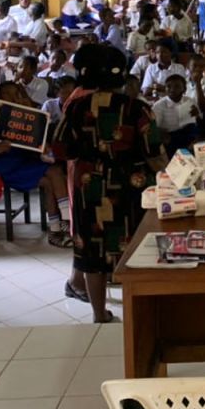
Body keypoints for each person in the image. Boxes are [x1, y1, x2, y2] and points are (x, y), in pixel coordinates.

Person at [55, 44, 157, 323]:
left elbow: (61, 148)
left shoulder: (76, 107)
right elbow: (155, 153)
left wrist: (90, 154)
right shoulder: (136, 108)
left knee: (93, 251)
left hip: (89, 186)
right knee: (133, 249)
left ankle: (99, 315)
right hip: (129, 188)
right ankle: (137, 314)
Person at [153, 74, 200, 154]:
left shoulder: (189, 101)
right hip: (170, 135)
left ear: (184, 89)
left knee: (194, 131)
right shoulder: (159, 106)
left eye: (177, 86)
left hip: (187, 131)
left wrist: (196, 115)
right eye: (168, 86)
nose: (172, 89)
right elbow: (155, 128)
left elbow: (197, 121)